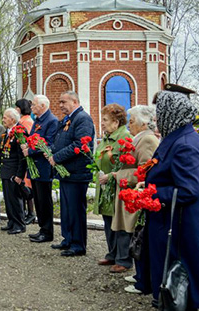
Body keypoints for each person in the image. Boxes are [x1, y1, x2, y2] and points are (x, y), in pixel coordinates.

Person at [144, 91, 199, 309]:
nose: (157, 120)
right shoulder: (179, 137)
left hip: (183, 224)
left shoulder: (185, 144)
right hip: (176, 221)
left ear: (171, 114)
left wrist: (151, 194)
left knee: (182, 278)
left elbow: (189, 189)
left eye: (160, 114)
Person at [111, 106, 159, 292]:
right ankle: (140, 275)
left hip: (136, 194)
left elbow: (144, 170)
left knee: (137, 235)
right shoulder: (139, 138)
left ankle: (142, 278)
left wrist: (119, 174)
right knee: (134, 235)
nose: (129, 125)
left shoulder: (147, 140)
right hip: (130, 192)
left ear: (143, 124)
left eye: (132, 122)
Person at [48, 91, 95, 257]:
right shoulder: (68, 119)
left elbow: (80, 144)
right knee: (67, 209)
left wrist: (56, 157)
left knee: (75, 210)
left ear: (75, 101)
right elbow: (60, 141)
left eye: (63, 102)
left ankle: (78, 244)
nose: (60, 105)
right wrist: (50, 151)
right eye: (60, 102)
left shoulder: (82, 118)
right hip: (66, 172)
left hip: (77, 172)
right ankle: (67, 239)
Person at [93, 104, 132, 272]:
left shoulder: (125, 139)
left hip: (118, 187)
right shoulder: (107, 138)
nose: (102, 123)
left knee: (120, 223)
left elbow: (128, 164)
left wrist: (111, 176)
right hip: (105, 186)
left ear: (116, 123)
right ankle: (112, 253)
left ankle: (123, 259)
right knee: (108, 221)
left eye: (105, 120)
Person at [22, 95, 59, 243]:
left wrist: (29, 151)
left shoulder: (52, 121)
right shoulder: (37, 120)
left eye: (34, 105)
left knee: (44, 200)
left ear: (43, 106)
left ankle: (47, 232)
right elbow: (32, 138)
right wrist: (26, 146)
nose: (31, 108)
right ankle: (42, 229)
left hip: (43, 166)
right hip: (35, 166)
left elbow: (49, 143)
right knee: (38, 199)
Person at [0, 108, 27, 234]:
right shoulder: (7, 132)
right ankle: (11, 221)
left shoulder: (20, 131)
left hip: (14, 171)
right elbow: (2, 148)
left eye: (5, 118)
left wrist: (20, 175)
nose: (3, 120)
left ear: (13, 119)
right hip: (6, 170)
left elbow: (22, 156)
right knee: (8, 199)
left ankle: (19, 224)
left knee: (15, 199)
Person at [16, 98, 36, 225]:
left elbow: (28, 138)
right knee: (23, 186)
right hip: (22, 156)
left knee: (27, 187)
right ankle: (23, 212)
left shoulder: (27, 122)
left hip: (26, 157)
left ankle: (31, 213)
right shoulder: (23, 120)